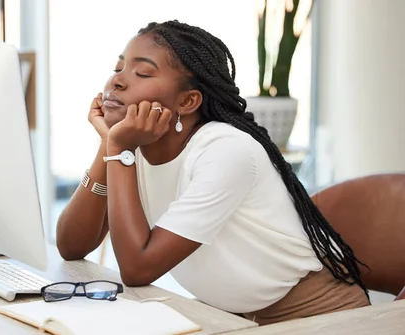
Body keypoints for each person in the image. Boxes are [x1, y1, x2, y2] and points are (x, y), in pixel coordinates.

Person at [55, 20, 369, 325]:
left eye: (142, 73)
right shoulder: (133, 147)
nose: (117, 81)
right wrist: (109, 145)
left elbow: (137, 269)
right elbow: (72, 246)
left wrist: (119, 148)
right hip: (232, 316)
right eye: (118, 68)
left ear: (188, 101)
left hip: (318, 314)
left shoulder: (224, 150)